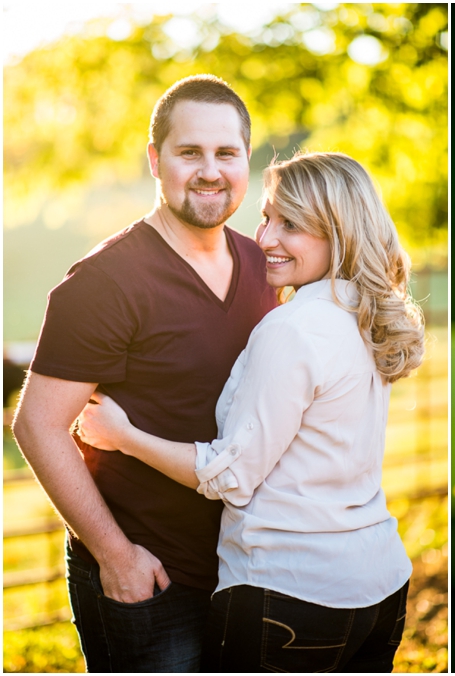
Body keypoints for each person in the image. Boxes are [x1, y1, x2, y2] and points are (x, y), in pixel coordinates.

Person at [77, 150, 426, 672]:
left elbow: (232, 475)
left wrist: (123, 436)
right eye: (266, 217)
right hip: (379, 587)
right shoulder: (365, 315)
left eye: (291, 224)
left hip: (290, 594)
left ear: (340, 232)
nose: (265, 239)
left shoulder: (292, 329)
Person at [12, 75, 277, 672]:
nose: (210, 170)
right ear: (155, 160)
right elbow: (37, 427)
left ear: (246, 160)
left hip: (250, 568)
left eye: (226, 153)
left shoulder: (266, 265)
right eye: (190, 153)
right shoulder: (105, 282)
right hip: (152, 578)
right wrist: (116, 557)